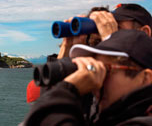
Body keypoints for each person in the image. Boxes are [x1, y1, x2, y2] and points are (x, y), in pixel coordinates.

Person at [23, 29, 152, 126]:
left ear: (145, 78)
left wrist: (67, 90)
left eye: (105, 70)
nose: (96, 81)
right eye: (95, 68)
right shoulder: (107, 117)